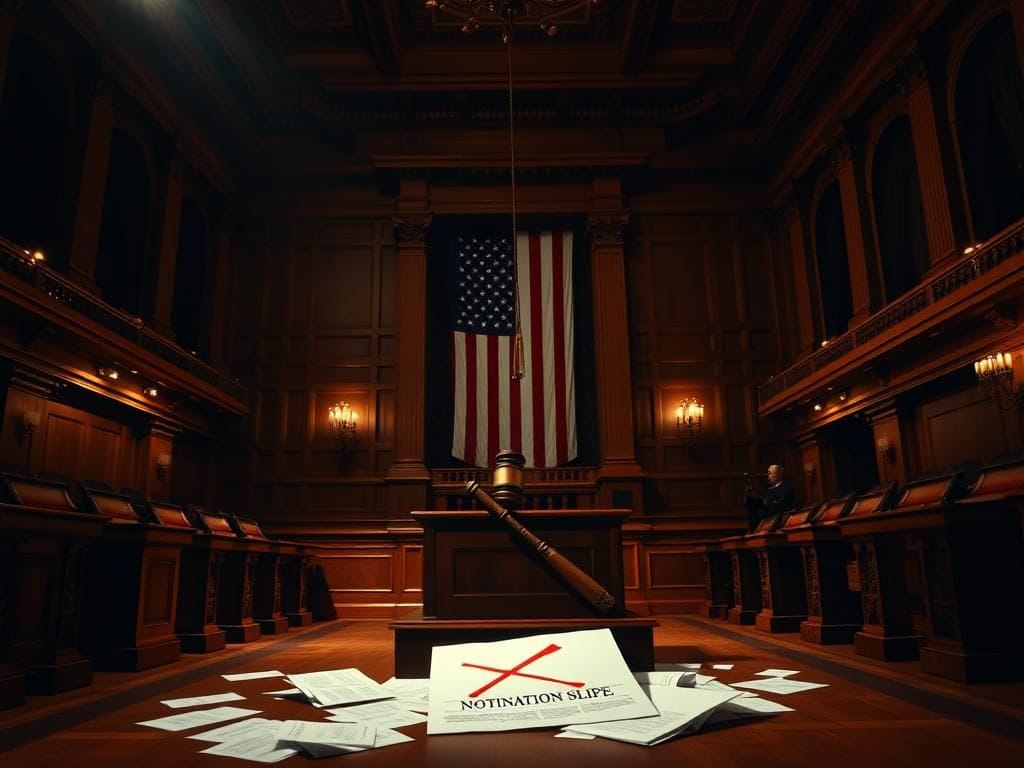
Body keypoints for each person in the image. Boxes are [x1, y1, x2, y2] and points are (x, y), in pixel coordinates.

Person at [745, 464, 795, 532]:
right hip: (769, 524)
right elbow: (767, 503)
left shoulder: (786, 488)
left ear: (778, 474)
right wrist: (749, 498)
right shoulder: (770, 490)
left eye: (770, 473)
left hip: (780, 524)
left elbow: (778, 505)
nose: (768, 476)